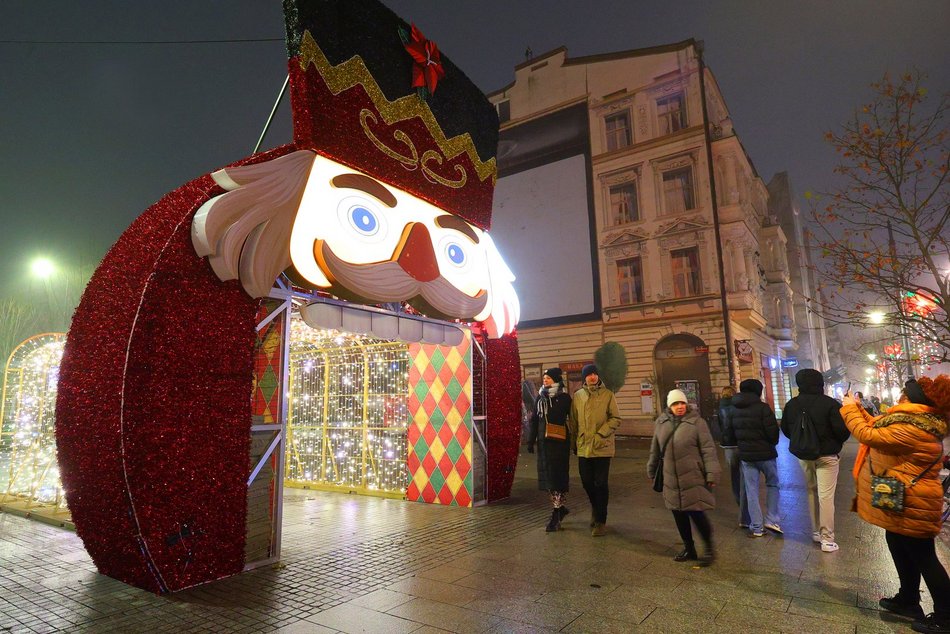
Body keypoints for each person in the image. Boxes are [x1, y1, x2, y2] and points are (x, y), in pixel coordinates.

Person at [842, 376, 950, 634]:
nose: (900, 396)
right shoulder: (912, 420)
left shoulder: (915, 426)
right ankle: (908, 600)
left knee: (924, 557)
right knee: (899, 545)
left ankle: (947, 617)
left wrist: (847, 409)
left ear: (914, 399)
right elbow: (878, 426)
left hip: (914, 502)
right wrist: (858, 409)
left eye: (904, 393)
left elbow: (868, 434)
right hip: (904, 500)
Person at [780, 369, 850, 552]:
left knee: (811, 491)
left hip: (804, 455)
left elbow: (787, 429)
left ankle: (815, 532)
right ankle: (827, 538)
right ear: (820, 383)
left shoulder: (791, 404)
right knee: (826, 496)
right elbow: (842, 431)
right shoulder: (830, 404)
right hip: (827, 455)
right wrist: (833, 442)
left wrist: (803, 441)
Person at [648, 389, 720, 565]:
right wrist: (651, 469)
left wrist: (711, 473)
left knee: (696, 513)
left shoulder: (697, 423)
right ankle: (689, 548)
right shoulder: (661, 422)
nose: (679, 407)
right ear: (669, 406)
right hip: (670, 478)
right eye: (675, 404)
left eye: (681, 403)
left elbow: (708, 449)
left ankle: (709, 548)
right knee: (678, 515)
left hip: (692, 476)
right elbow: (655, 449)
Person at [569, 363, 622, 537]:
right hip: (584, 447)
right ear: (584, 377)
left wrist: (601, 434)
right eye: (589, 374)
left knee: (601, 483)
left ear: (598, 376)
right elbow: (574, 421)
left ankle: (600, 520)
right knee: (586, 482)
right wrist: (574, 443)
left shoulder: (608, 395)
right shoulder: (578, 396)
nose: (592, 377)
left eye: (594, 374)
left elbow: (615, 418)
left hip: (602, 446)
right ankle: (596, 507)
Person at [731, 378, 782, 537]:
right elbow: (773, 433)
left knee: (751, 490)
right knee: (772, 484)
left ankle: (757, 527)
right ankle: (771, 519)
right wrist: (771, 443)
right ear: (758, 391)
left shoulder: (735, 408)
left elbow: (731, 433)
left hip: (747, 456)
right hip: (766, 454)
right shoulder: (763, 408)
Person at [527, 368, 573, 532]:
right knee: (548, 479)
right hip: (544, 444)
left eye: (548, 378)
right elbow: (534, 420)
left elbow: (573, 420)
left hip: (560, 443)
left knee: (557, 478)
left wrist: (576, 442)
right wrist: (531, 440)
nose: (545, 380)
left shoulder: (565, 398)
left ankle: (556, 513)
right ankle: (559, 509)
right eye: (544, 378)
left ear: (556, 380)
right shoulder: (540, 397)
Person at [718, 385, 750, 528]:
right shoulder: (739, 406)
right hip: (741, 443)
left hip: (728, 446)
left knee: (734, 477)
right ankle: (745, 510)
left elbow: (720, 427)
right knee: (746, 477)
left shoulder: (720, 408)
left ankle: (739, 502)